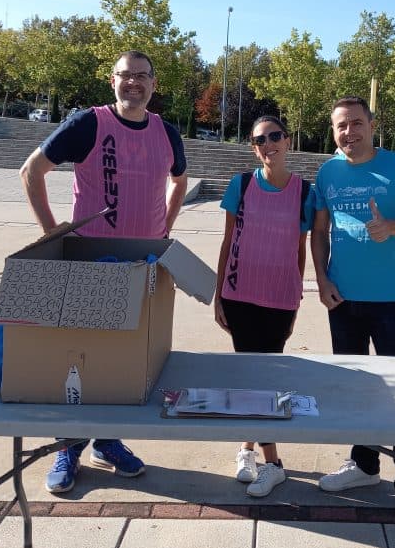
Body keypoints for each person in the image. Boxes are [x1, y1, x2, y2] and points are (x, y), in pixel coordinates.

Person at [19, 51, 188, 494]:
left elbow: (180, 180)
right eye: (126, 76)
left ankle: (107, 441)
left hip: (142, 265)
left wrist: (165, 226)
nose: (134, 83)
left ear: (154, 84)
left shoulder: (167, 133)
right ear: (112, 80)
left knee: (124, 361)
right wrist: (51, 230)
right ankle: (69, 447)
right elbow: (31, 170)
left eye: (142, 77)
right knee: (80, 357)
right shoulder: (88, 123)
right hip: (89, 262)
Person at [311, 95, 395, 531]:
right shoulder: (327, 171)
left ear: (371, 124)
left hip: (389, 301)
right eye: (340, 126)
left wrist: (392, 227)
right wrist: (322, 280)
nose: (349, 132)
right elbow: (320, 230)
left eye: (355, 123)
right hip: (342, 300)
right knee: (355, 388)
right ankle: (364, 465)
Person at [214, 115, 315, 497]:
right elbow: (227, 242)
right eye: (259, 139)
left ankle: (268, 461)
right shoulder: (240, 185)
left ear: (288, 141)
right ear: (253, 147)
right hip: (239, 295)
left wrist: (296, 296)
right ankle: (256, 453)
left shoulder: (305, 192)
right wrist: (218, 293)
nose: (268, 143)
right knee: (249, 376)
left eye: (275, 136)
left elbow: (300, 249)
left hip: (279, 298)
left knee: (266, 378)